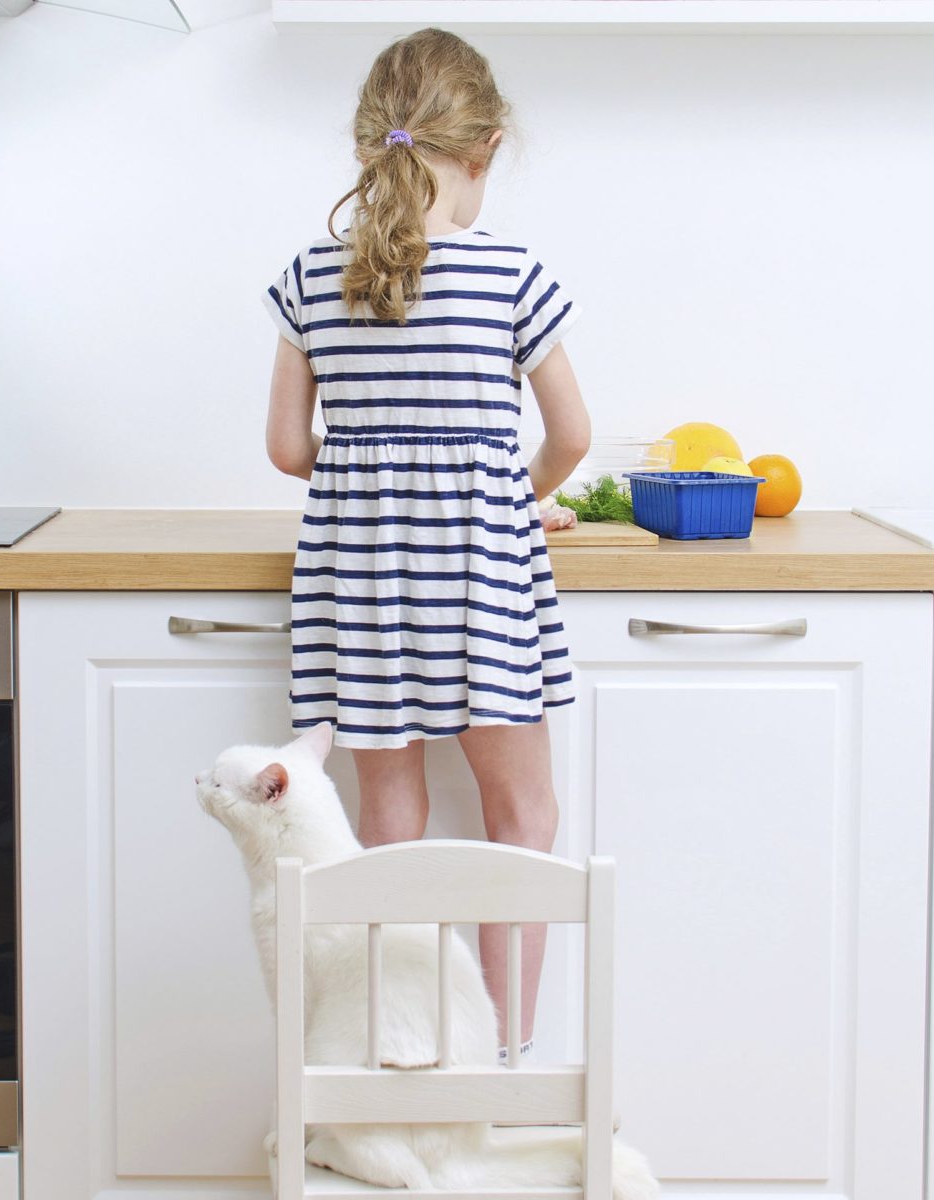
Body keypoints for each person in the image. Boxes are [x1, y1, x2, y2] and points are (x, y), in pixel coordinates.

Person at [262, 27, 590, 1057]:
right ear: (484, 148)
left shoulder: (313, 275)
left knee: (385, 819)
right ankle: (503, 1057)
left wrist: (380, 482)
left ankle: (402, 1054)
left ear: (371, 146)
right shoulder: (509, 275)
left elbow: (285, 449)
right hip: (484, 578)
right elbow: (570, 437)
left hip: (360, 582)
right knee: (521, 818)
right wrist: (500, 495)